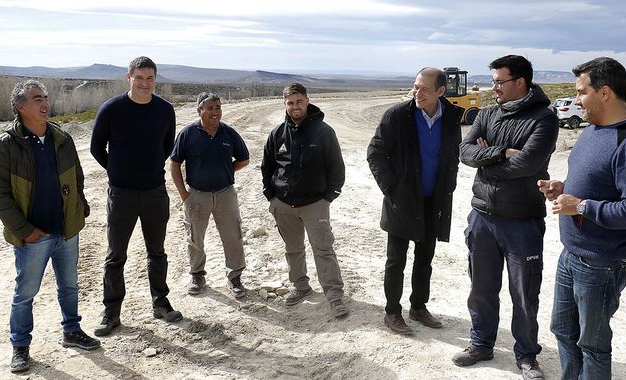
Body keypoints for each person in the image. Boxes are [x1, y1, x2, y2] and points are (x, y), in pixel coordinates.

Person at [539, 57, 626, 380]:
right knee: (563, 330)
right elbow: (596, 181)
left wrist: (580, 206)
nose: (576, 100)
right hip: (573, 253)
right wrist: (562, 188)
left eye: (581, 92)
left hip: (602, 262)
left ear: (604, 93)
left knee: (592, 344)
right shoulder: (593, 129)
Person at [454, 55, 559, 380]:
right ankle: (481, 344)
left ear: (520, 83)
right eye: (494, 81)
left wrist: (487, 161)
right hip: (482, 217)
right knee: (481, 288)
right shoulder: (486, 114)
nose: (493, 87)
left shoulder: (544, 119)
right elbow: (465, 151)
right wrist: (499, 152)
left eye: (499, 82)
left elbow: (526, 165)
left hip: (522, 221)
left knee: (524, 294)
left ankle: (527, 356)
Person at [0, 80, 100, 372]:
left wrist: (80, 208)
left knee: (70, 286)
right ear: (20, 107)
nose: (44, 103)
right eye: (37, 98)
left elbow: (77, 176)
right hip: (33, 236)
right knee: (25, 293)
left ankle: (72, 331)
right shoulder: (8, 144)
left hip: (65, 230)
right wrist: (25, 230)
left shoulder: (61, 137)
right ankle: (21, 347)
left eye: (46, 97)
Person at [366, 67, 462, 335]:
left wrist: (449, 186)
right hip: (402, 201)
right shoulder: (398, 115)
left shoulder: (453, 116)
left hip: (434, 201)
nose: (417, 93)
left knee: (425, 258)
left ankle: (418, 307)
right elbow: (375, 152)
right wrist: (392, 189)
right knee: (396, 260)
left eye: (424, 89)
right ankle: (392, 312)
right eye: (416, 86)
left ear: (441, 91)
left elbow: (453, 154)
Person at [90, 56, 181, 336]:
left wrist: (147, 169)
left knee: (157, 252)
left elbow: (167, 146)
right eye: (139, 78)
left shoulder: (165, 110)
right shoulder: (112, 109)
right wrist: (118, 172)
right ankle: (111, 312)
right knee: (116, 254)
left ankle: (160, 302)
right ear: (128, 77)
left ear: (156, 79)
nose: (145, 84)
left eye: (150, 78)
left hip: (155, 192)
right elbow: (96, 148)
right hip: (122, 195)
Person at [261, 82, 349, 318]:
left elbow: (336, 167)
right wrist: (270, 196)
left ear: (307, 101)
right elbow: (267, 166)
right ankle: (301, 286)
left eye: (299, 101)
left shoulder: (323, 132)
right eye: (290, 103)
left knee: (323, 249)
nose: (295, 107)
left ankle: (334, 295)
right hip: (283, 203)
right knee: (293, 248)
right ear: (285, 104)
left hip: (315, 203)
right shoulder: (278, 133)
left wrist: (329, 197)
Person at [170, 92, 250, 298]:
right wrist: (184, 195)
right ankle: (197, 275)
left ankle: (235, 277)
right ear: (199, 110)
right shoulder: (188, 134)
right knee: (195, 238)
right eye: (210, 108)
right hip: (197, 195)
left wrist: (226, 170)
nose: (215, 112)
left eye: (218, 107)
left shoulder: (229, 133)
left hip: (226, 194)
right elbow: (175, 164)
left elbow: (244, 159)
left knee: (233, 237)